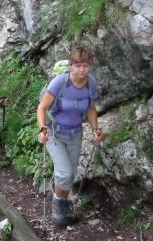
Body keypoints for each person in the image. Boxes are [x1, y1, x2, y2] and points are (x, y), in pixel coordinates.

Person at [36, 47, 104, 226]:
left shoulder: (91, 84)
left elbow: (90, 108)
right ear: (71, 65)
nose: (82, 69)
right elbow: (42, 107)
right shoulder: (60, 82)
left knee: (69, 174)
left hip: (75, 134)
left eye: (86, 65)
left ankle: (63, 205)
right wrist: (42, 128)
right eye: (78, 65)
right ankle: (58, 213)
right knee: (65, 173)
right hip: (53, 132)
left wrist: (95, 129)